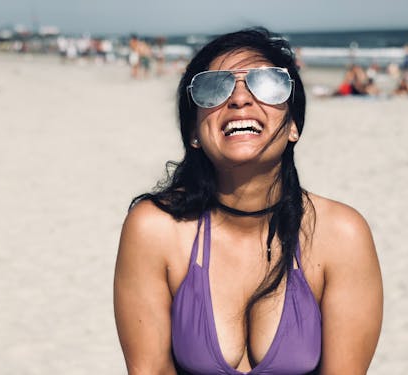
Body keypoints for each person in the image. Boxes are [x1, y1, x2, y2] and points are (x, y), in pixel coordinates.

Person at [114, 28, 383, 375]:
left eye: (268, 83)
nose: (240, 99)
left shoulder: (341, 235)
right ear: (194, 131)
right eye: (213, 87)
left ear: (293, 126)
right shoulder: (155, 229)